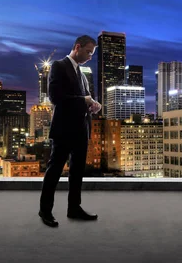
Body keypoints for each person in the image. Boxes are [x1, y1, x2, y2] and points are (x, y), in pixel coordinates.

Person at [38, 35, 102, 227]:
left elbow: (82, 100)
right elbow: (56, 98)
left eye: (93, 53)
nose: (90, 56)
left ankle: (74, 208)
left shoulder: (82, 75)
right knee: (54, 171)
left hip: (81, 130)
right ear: (77, 47)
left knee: (77, 172)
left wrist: (93, 105)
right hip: (64, 129)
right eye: (88, 51)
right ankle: (45, 211)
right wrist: (85, 100)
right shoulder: (59, 66)